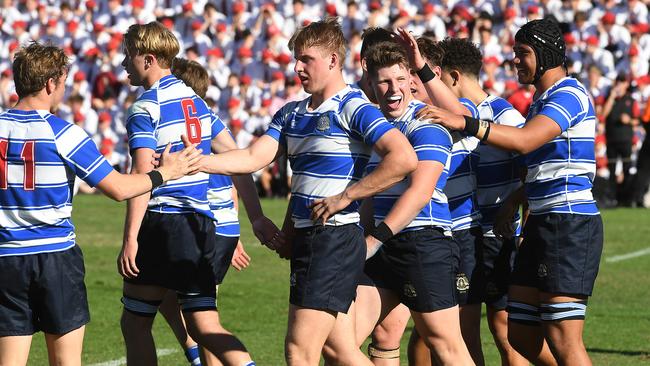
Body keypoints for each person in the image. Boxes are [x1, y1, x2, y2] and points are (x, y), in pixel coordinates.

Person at [193, 18, 418, 366]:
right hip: (310, 239)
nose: (297, 68)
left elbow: (403, 158)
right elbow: (254, 157)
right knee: (338, 350)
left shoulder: (352, 107)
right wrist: (198, 162)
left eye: (306, 59)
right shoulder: (291, 113)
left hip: (334, 239)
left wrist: (346, 196)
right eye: (296, 59)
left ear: (332, 60)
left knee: (299, 351)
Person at [0, 41, 200, 366]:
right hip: (54, 258)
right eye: (63, 82)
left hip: (6, 258)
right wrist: (166, 172)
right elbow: (119, 188)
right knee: (66, 361)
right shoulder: (64, 133)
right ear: (51, 83)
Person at [419, 19, 603, 366]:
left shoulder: (569, 93)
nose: (515, 61)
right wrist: (515, 202)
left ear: (547, 54)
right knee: (519, 333)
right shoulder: (541, 100)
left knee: (564, 337)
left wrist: (465, 123)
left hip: (569, 221)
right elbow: (536, 168)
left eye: (523, 53)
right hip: (542, 224)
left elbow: (525, 140)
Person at [117, 22, 265, 366]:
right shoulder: (196, 103)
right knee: (204, 323)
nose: (124, 63)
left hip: (163, 221)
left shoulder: (145, 107)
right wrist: (255, 217)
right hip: (201, 225)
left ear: (149, 59)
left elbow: (142, 177)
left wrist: (131, 238)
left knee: (135, 323)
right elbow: (238, 159)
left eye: (129, 56)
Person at [356, 40, 475, 366]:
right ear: (370, 84)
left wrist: (374, 239)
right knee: (342, 340)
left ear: (411, 80)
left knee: (447, 347)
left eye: (399, 80)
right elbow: (371, 193)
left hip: (422, 243)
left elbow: (420, 192)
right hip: (381, 243)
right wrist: (362, 237)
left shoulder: (425, 123)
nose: (392, 89)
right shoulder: (378, 129)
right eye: (383, 81)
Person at [158, 57, 279, 366]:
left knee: (201, 318)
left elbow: (237, 167)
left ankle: (204, 359)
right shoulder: (208, 117)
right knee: (177, 303)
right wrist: (243, 223)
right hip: (218, 226)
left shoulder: (179, 119)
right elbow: (239, 167)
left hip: (202, 226)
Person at [436, 36, 529, 366]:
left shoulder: (504, 115)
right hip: (464, 237)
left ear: (455, 77)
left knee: (505, 331)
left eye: (440, 80)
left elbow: (532, 169)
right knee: (459, 331)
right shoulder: (455, 116)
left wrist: (516, 209)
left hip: (497, 239)